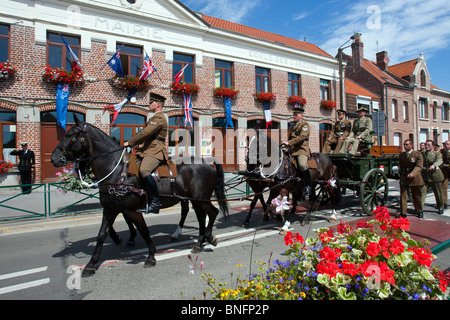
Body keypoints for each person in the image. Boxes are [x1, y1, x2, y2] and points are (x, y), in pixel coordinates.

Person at [124, 93, 168, 214]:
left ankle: (155, 201)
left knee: (144, 170)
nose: (148, 104)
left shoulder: (159, 118)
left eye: (150, 102)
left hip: (156, 151)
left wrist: (130, 142)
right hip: (148, 149)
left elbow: (145, 134)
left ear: (158, 104)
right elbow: (149, 138)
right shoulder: (153, 118)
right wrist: (141, 145)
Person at [282, 107, 311, 197]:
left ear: (301, 115)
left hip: (302, 150)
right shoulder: (293, 126)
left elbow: (302, 137)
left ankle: (308, 185)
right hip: (293, 150)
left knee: (302, 165)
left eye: (296, 115)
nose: (294, 116)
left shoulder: (305, 125)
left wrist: (289, 143)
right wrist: (286, 145)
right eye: (293, 114)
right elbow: (291, 138)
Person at [398, 139, 424, 218]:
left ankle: (419, 210)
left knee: (416, 195)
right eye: (404, 145)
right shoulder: (402, 155)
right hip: (405, 177)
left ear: (411, 145)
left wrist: (413, 174)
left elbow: (419, 166)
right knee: (403, 195)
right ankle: (403, 213)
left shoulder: (417, 154)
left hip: (414, 177)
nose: (405, 146)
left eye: (407, 145)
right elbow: (400, 166)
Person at [421, 139, 445, 216]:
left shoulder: (436, 154)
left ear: (432, 146)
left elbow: (439, 160)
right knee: (422, 192)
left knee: (438, 193)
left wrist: (434, 165)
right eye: (426, 145)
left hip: (435, 175)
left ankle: (440, 207)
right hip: (425, 175)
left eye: (429, 145)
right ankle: (419, 208)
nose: (427, 146)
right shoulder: (422, 153)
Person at [440, 140, 450, 209]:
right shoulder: (442, 152)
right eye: (445, 144)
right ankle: (444, 203)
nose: (446, 145)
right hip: (445, 171)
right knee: (444, 187)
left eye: (448, 144)